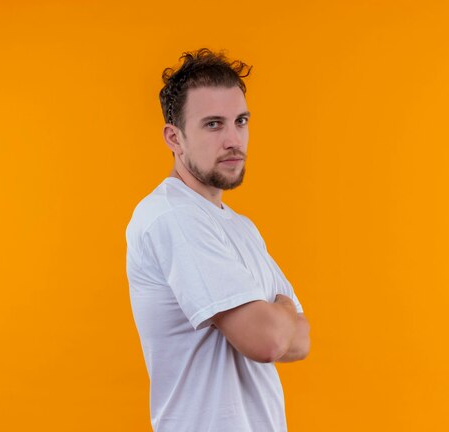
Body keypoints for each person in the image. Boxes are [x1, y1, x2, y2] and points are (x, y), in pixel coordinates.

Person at [125, 48, 310, 432]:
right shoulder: (173, 216)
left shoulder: (240, 228)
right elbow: (269, 341)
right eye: (213, 124)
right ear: (174, 137)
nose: (233, 139)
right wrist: (280, 312)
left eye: (240, 121)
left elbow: (302, 341)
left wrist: (280, 321)